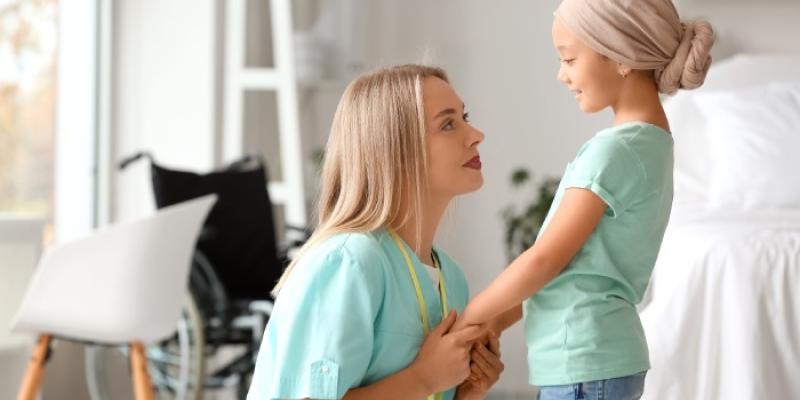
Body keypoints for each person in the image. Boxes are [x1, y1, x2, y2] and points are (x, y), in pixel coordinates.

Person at [453, 1, 714, 399]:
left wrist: (470, 317)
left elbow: (544, 260)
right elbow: (575, 270)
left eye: (569, 58)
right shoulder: (650, 144)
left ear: (622, 56)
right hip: (596, 364)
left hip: (584, 366)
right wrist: (496, 322)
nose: (562, 75)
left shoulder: (615, 151)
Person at [247, 64, 504, 400]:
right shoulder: (349, 261)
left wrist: (468, 392)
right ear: (395, 152)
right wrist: (424, 378)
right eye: (448, 124)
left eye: (464, 117)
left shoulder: (452, 279)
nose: (476, 134)